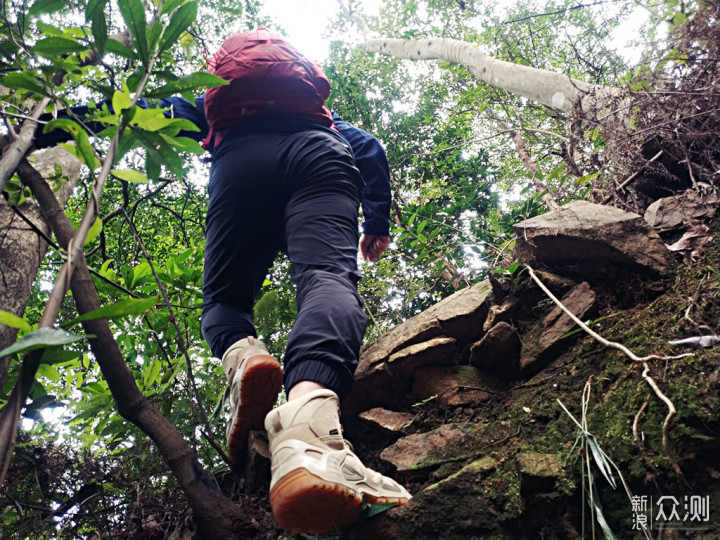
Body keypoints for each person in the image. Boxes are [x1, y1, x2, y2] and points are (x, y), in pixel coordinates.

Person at [35, 28, 411, 533]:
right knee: (326, 278)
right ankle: (307, 425)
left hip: (240, 162)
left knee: (225, 304)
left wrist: (42, 131)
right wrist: (378, 222)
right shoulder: (324, 118)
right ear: (297, 75)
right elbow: (370, 148)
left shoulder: (210, 105)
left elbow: (131, 110)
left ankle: (244, 358)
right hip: (320, 157)